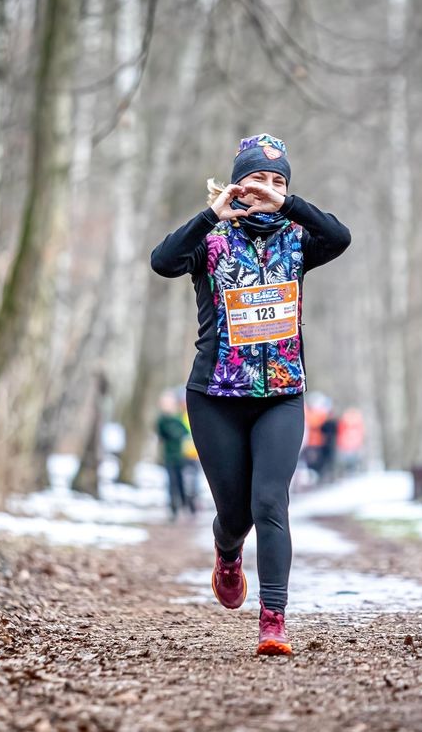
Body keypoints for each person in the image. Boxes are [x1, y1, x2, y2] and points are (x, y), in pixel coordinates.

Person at [150, 132, 351, 655]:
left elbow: (341, 235)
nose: (266, 187)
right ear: (237, 182)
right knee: (236, 515)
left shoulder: (298, 237)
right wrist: (211, 214)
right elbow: (162, 261)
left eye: (277, 180)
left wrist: (290, 204)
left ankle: (273, 620)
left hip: (281, 394)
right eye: (257, 177)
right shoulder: (212, 240)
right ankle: (227, 552)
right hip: (215, 396)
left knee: (270, 503)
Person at [155, 390, 196, 521]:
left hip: (184, 456)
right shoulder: (162, 420)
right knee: (171, 483)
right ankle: (173, 508)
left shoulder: (179, 417)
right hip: (169, 456)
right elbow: (161, 433)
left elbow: (185, 432)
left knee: (184, 482)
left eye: (169, 403)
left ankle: (187, 503)